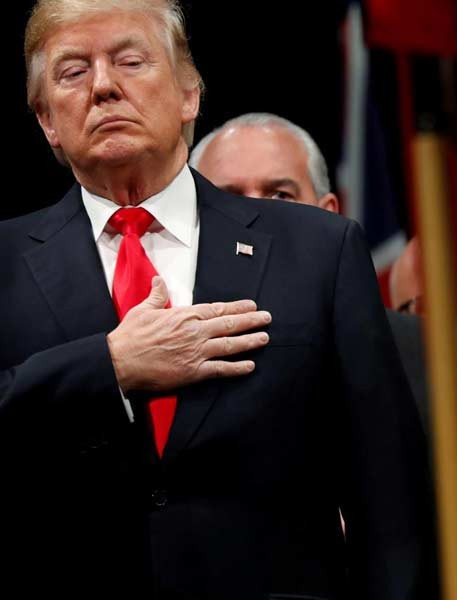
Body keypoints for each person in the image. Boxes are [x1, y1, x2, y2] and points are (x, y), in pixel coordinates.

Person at [0, 2, 434, 598]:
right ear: (47, 120)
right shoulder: (4, 261)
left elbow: (389, 495)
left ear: (189, 95)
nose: (103, 86)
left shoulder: (319, 249)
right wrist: (110, 367)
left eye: (130, 60)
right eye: (72, 73)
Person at [190, 113, 429, 429]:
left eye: (280, 195)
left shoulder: (419, 352)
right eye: (228, 199)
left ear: (329, 215)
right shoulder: (169, 355)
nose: (254, 220)